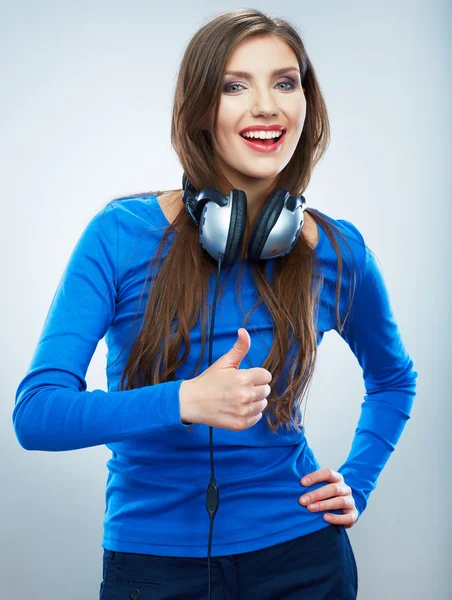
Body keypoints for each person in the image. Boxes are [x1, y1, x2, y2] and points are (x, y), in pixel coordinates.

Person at [12, 8, 418, 600]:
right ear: (202, 109)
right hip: (153, 568)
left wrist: (357, 481)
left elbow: (394, 379)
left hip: (303, 558)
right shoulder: (118, 235)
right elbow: (37, 412)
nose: (266, 106)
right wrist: (185, 399)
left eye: (285, 82)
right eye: (235, 86)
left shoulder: (336, 250)